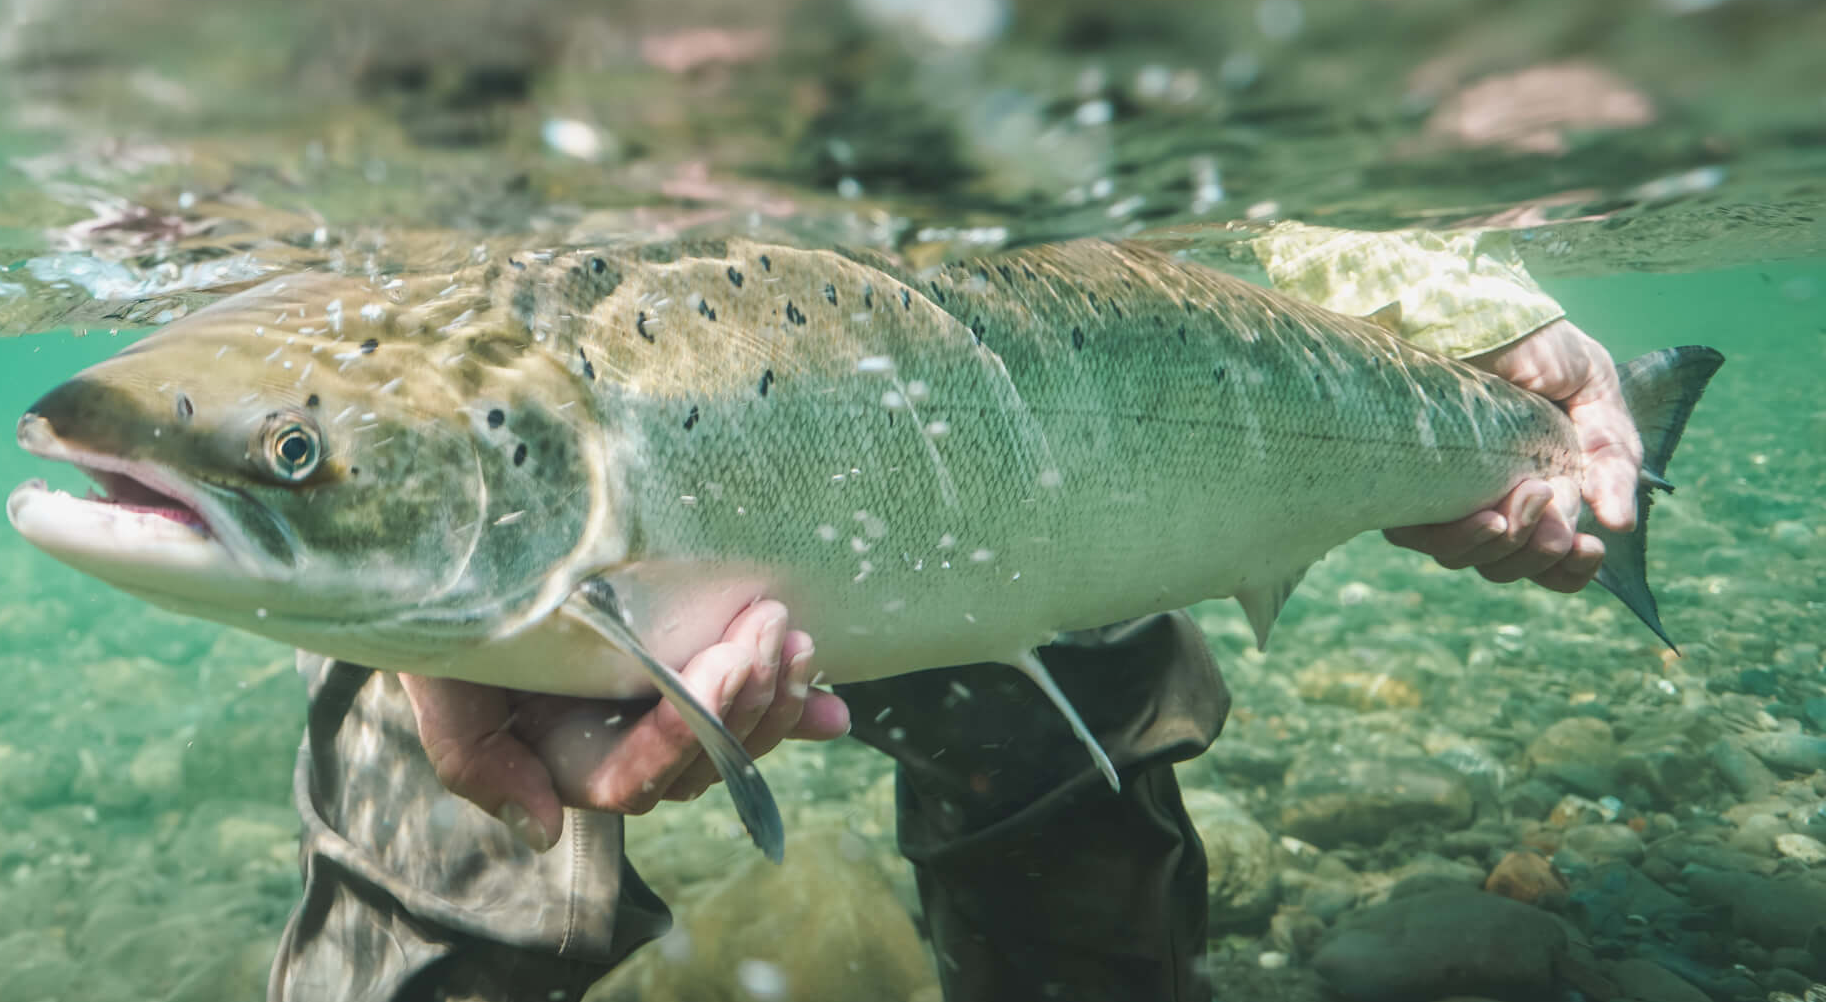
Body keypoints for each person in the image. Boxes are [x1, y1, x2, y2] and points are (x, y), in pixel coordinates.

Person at [267, 224, 1646, 1002]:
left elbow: (1220, 154)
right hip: (529, 480)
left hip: (1031, 458)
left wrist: (1463, 312)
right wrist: (434, 603)